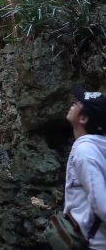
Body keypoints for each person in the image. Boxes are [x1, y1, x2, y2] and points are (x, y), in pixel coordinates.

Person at [63, 84, 106, 249]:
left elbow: (102, 206)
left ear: (83, 119)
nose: (73, 104)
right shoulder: (98, 147)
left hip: (93, 244)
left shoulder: (85, 151)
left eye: (77, 103)